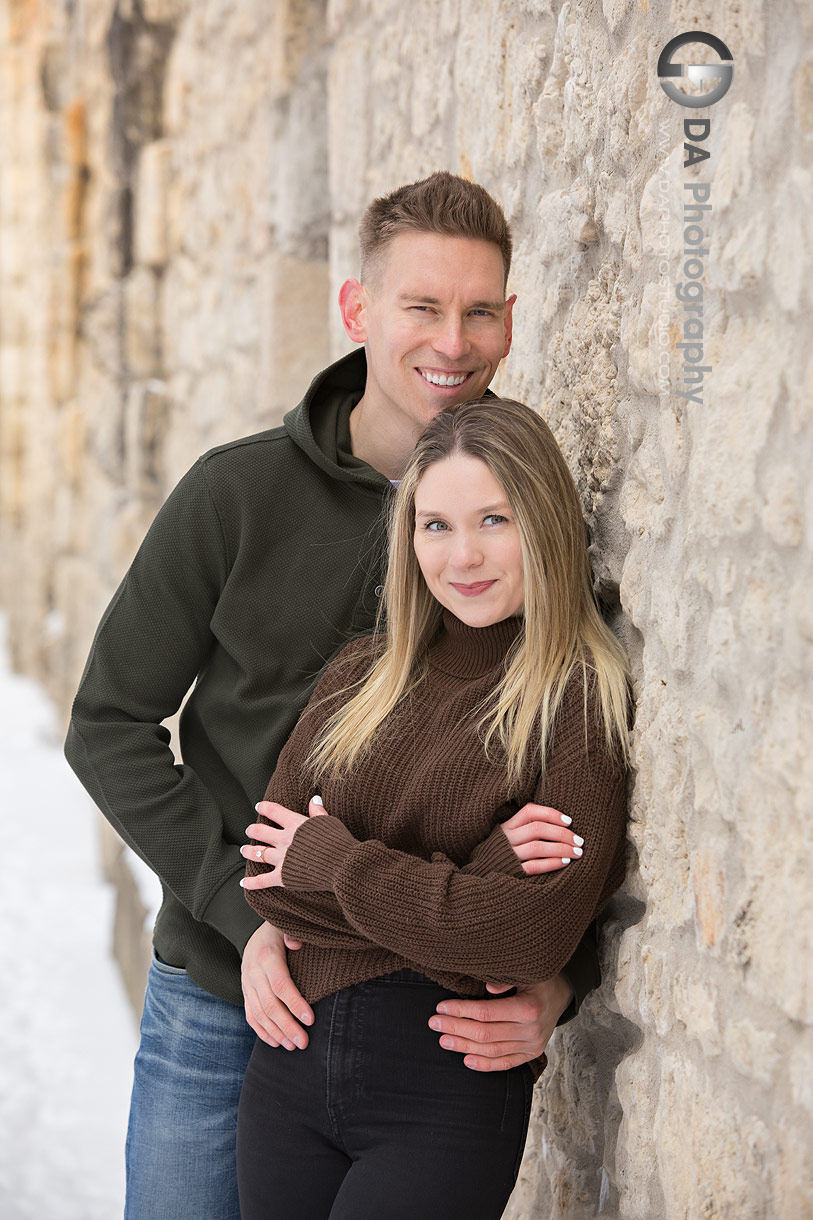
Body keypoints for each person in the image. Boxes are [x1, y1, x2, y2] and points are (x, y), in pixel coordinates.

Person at [64, 172, 602, 1220]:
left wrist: (559, 981)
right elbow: (110, 722)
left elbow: (574, 794)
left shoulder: (528, 518)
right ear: (359, 310)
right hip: (227, 988)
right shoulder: (235, 494)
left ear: (508, 321)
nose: (454, 340)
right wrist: (237, 909)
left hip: (426, 1027)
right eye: (422, 307)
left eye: (480, 310)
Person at [237, 397, 631, 1220]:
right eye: (435, 525)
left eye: (494, 518)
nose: (463, 556)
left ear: (546, 523)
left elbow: (526, 940)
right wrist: (479, 877)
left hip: (441, 1092)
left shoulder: (574, 700)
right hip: (285, 1078)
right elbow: (270, 884)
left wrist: (334, 860)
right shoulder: (359, 676)